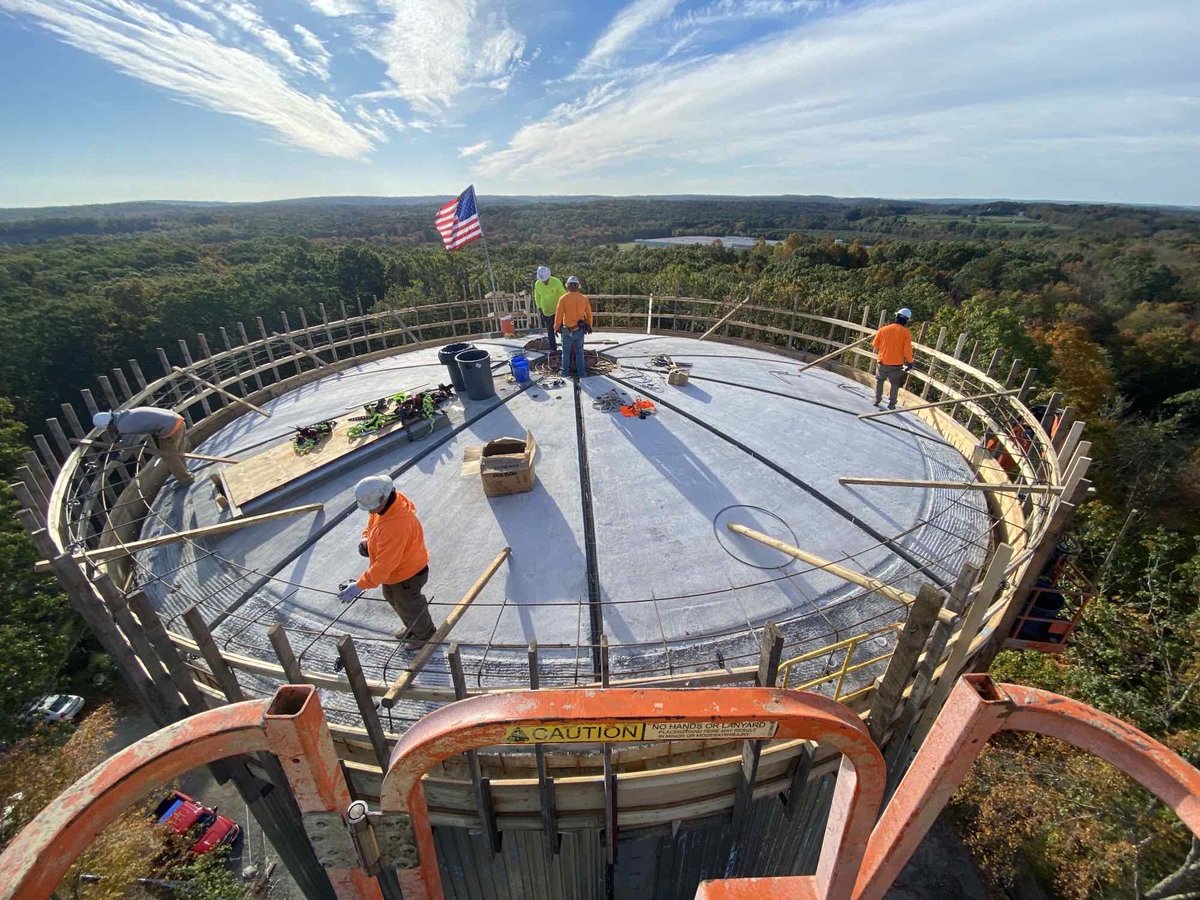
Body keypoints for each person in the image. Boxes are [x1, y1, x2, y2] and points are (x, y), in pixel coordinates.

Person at [337, 475, 436, 647]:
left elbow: (384, 565)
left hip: (408, 574)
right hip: (396, 573)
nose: (370, 511)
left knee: (409, 605)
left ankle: (425, 636)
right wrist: (366, 538)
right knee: (392, 597)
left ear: (382, 499)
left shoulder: (395, 525)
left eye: (371, 507)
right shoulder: (385, 506)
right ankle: (412, 627)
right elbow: (372, 523)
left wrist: (360, 585)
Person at [93, 407, 193, 486]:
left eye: (108, 429)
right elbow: (134, 435)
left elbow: (130, 446)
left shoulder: (124, 426)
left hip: (170, 429)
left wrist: (119, 457)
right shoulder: (125, 416)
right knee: (177, 453)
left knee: (168, 456)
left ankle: (186, 479)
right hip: (178, 420)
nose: (110, 431)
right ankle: (186, 474)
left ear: (109, 425)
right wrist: (120, 444)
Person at [871, 307, 915, 410]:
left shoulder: (884, 329)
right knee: (894, 383)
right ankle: (892, 404)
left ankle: (877, 400)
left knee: (880, 380)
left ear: (897, 317)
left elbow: (875, 344)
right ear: (906, 321)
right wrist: (910, 362)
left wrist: (885, 348)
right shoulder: (906, 333)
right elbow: (907, 350)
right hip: (896, 364)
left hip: (883, 360)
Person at [553, 275, 594, 379]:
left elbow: (558, 314)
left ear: (567, 286)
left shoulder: (563, 299)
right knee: (579, 352)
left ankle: (565, 373)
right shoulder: (583, 298)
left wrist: (556, 327)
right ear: (578, 286)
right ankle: (582, 373)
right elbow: (589, 314)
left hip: (567, 330)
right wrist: (589, 325)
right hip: (579, 330)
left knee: (565, 353)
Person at [533, 266, 565, 353]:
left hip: (558, 310)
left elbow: (563, 295)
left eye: (546, 280)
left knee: (561, 329)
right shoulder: (537, 284)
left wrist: (564, 309)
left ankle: (565, 348)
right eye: (543, 280)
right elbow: (537, 297)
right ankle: (553, 349)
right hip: (546, 311)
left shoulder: (556, 282)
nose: (544, 282)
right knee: (550, 331)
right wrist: (540, 309)